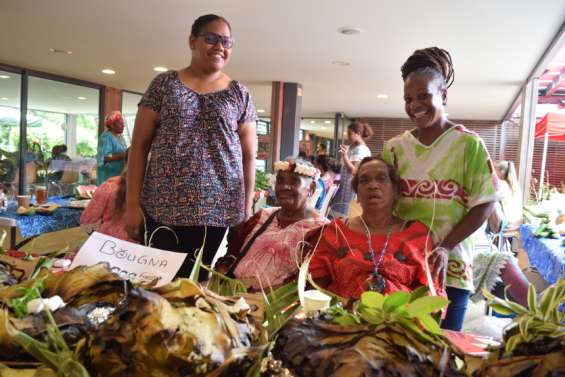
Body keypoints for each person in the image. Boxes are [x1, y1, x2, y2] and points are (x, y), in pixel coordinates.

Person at [126, 14, 257, 281]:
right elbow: (139, 147)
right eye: (212, 38)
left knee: (196, 285)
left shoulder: (239, 93)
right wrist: (131, 205)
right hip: (161, 206)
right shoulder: (164, 85)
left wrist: (246, 206)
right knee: (157, 284)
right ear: (192, 40)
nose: (220, 46)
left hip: (217, 210)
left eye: (227, 41)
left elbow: (249, 155)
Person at [382, 47, 501, 331]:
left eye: (423, 95)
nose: (414, 105)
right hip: (402, 267)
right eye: (408, 99)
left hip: (451, 269)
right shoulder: (394, 148)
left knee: (443, 350)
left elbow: (485, 203)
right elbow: (385, 203)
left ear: (444, 95)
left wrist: (445, 247)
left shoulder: (468, 144)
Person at [308, 157, 445, 299]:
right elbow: (316, 285)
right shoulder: (337, 231)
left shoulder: (418, 236)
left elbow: (431, 294)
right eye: (364, 180)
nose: (372, 185)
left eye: (381, 178)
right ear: (357, 193)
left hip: (400, 318)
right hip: (337, 318)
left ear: (396, 191)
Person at [215, 159, 329, 291]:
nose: (284, 187)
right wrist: (223, 269)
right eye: (280, 181)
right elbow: (233, 254)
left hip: (273, 306)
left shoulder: (321, 230)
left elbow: (307, 283)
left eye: (293, 182)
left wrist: (257, 295)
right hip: (231, 297)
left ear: (312, 188)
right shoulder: (263, 216)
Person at [80, 162, 135, 243]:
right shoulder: (153, 190)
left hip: (106, 242)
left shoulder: (109, 187)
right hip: (144, 245)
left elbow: (87, 220)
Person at [329, 121, 372, 218]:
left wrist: (344, 155)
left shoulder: (360, 149)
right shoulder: (355, 147)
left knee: (343, 216)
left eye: (350, 134)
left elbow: (353, 170)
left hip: (349, 188)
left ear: (358, 134)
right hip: (346, 187)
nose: (348, 137)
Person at [96, 111, 127, 185]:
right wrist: (123, 154)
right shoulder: (106, 138)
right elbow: (106, 157)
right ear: (112, 125)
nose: (123, 126)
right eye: (120, 123)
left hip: (118, 177)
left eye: (123, 123)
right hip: (108, 179)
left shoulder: (121, 137)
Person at [494, 160, 523, 232]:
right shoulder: (516, 186)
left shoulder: (501, 184)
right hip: (517, 223)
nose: (494, 173)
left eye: (495, 170)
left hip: (507, 224)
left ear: (502, 172)